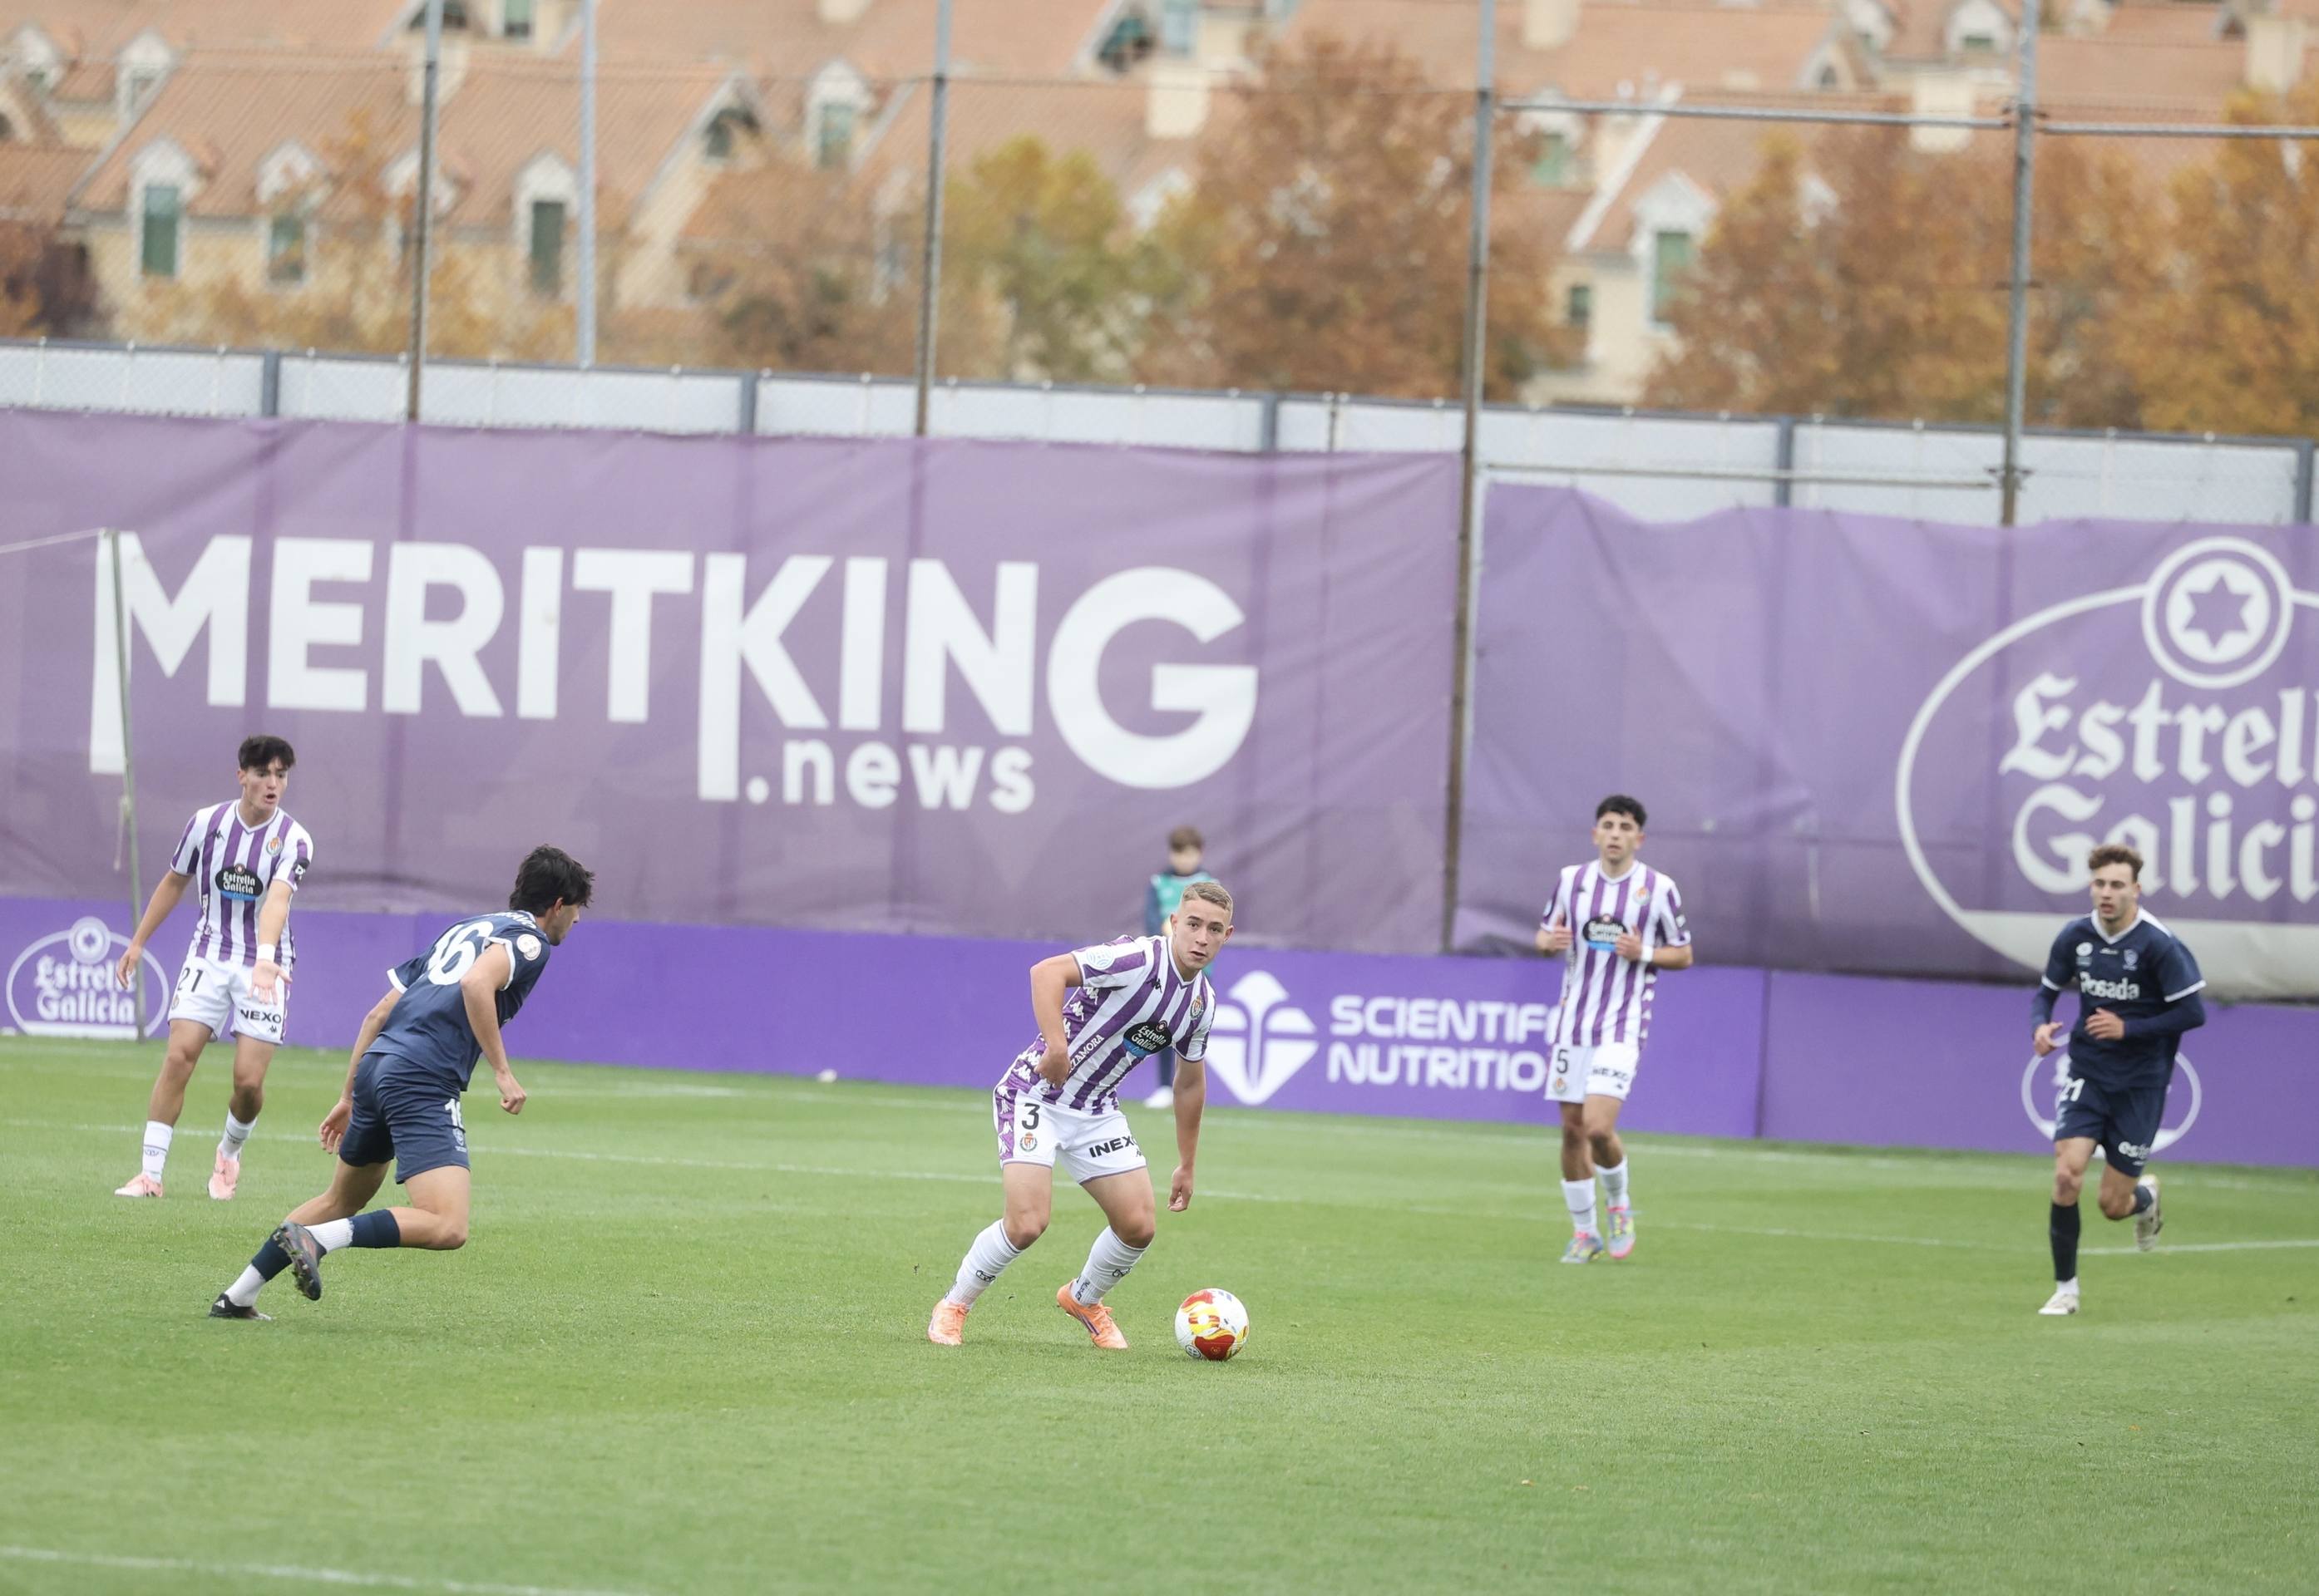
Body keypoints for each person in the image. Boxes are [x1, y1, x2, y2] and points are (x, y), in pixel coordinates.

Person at [206, 845, 593, 1321]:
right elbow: (477, 986)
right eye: (576, 910)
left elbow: (378, 1012)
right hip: (422, 1078)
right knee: (448, 1225)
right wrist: (503, 1072)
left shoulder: (466, 929)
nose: (575, 922)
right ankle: (319, 1240)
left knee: (338, 1200)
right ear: (557, 904)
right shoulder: (530, 940)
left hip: (378, 1065)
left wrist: (349, 1095)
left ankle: (237, 1297)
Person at [930, 879, 1234, 1350]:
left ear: (1226, 936)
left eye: (1213, 930)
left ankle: (1084, 1298)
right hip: (1035, 1095)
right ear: (1174, 923)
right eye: (1192, 924)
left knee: (1139, 1225)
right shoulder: (1137, 959)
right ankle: (954, 1305)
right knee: (1028, 1223)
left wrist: (1187, 1163)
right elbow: (1046, 972)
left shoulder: (1201, 1004)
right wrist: (1056, 1045)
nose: (1201, 938)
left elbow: (1189, 1082)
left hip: (1095, 1110)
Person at [113, 735, 313, 1201]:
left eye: (281, 775)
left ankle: (229, 1152)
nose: (272, 783)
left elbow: (277, 902)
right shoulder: (207, 823)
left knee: (248, 1083)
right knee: (179, 1055)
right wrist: (139, 942)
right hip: (209, 953)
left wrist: (264, 961)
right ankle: (150, 1174)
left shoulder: (295, 839)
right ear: (241, 775)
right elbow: (174, 881)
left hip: (266, 966)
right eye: (263, 773)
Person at [2030, 843, 2203, 1317]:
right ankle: (2066, 1289)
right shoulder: (2075, 937)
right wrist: (2040, 1026)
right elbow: (2045, 992)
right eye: (2100, 884)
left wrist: (2131, 1029)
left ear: (2136, 890)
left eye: (2116, 885)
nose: (2106, 893)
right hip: (2088, 1071)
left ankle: (2144, 1197)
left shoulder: (2158, 944)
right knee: (2067, 1175)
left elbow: (2192, 1012)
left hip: (2141, 1084)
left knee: (2112, 1204)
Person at [1536, 795, 1691, 1264]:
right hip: (1572, 1024)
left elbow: (1683, 953)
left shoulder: (1659, 889)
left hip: (1622, 1025)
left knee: (1598, 1129)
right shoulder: (1572, 881)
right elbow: (1544, 935)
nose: (1616, 833)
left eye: (1625, 827)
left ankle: (1619, 1205)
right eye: (1608, 825)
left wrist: (1642, 952)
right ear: (1595, 834)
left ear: (1638, 838)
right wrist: (1549, 942)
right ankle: (1585, 1234)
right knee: (1570, 1131)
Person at [1141, 825, 1216, 1111]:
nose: (1185, 860)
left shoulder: (1209, 884)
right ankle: (1163, 1086)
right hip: (1164, 968)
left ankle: (1187, 1088)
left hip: (1197, 972)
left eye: (1190, 854)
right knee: (1159, 1027)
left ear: (1200, 853)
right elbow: (1150, 922)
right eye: (1179, 853)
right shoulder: (1159, 883)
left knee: (1192, 1030)